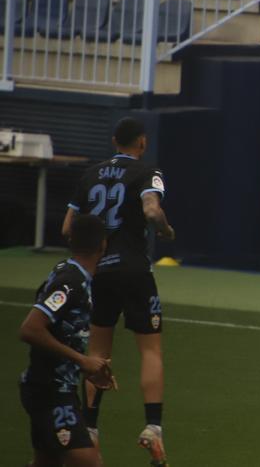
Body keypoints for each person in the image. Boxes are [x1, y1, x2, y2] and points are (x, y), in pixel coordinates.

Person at [63, 117, 175, 467]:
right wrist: (166, 229)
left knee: (97, 350)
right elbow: (152, 209)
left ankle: (91, 428)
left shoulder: (90, 175)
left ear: (114, 141)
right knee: (150, 349)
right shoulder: (146, 171)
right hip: (134, 270)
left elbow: (68, 226)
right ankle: (153, 427)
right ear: (141, 142)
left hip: (98, 270)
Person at [18, 214, 117, 467]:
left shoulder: (70, 272)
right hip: (51, 392)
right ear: (103, 245)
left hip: (50, 387)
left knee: (46, 462)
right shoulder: (71, 283)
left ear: (71, 240)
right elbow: (30, 328)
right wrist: (82, 360)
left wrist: (86, 365)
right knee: (89, 462)